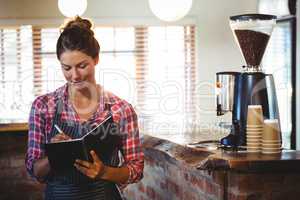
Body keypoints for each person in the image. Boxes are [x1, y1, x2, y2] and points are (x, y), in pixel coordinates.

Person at [25, 16, 144, 200]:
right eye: (67, 68)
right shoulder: (43, 107)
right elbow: (35, 171)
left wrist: (105, 172)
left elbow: (136, 169)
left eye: (82, 66)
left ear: (96, 59)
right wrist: (54, 155)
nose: (75, 76)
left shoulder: (121, 110)